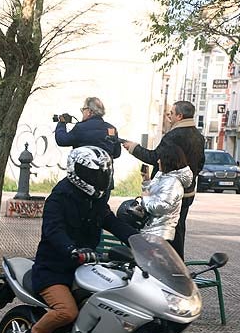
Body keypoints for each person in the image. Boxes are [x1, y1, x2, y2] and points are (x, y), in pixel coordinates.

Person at [17, 146, 138, 333]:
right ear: (77, 171)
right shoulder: (59, 197)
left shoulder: (96, 199)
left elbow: (112, 222)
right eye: (94, 173)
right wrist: (72, 249)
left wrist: (139, 240)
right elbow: (53, 231)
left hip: (88, 267)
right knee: (67, 312)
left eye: (102, 173)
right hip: (54, 269)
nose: (99, 178)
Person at [122, 100, 204, 258]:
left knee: (164, 233)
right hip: (188, 193)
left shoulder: (173, 136)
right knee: (178, 230)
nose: (169, 117)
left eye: (171, 113)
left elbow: (155, 158)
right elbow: (200, 164)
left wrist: (134, 148)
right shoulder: (198, 136)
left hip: (168, 191)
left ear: (179, 116)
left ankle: (168, 270)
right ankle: (177, 266)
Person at [139, 145, 193, 247]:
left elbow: (160, 207)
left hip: (160, 233)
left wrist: (145, 199)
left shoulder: (172, 183)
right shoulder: (163, 175)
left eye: (161, 158)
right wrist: (146, 181)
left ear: (168, 160)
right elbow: (152, 193)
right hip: (152, 228)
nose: (158, 161)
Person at [54, 97, 121, 159]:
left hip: (83, 170)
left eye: (83, 110)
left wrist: (62, 123)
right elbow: (117, 153)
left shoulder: (80, 128)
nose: (82, 112)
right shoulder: (112, 129)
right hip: (105, 170)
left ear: (89, 111)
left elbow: (61, 140)